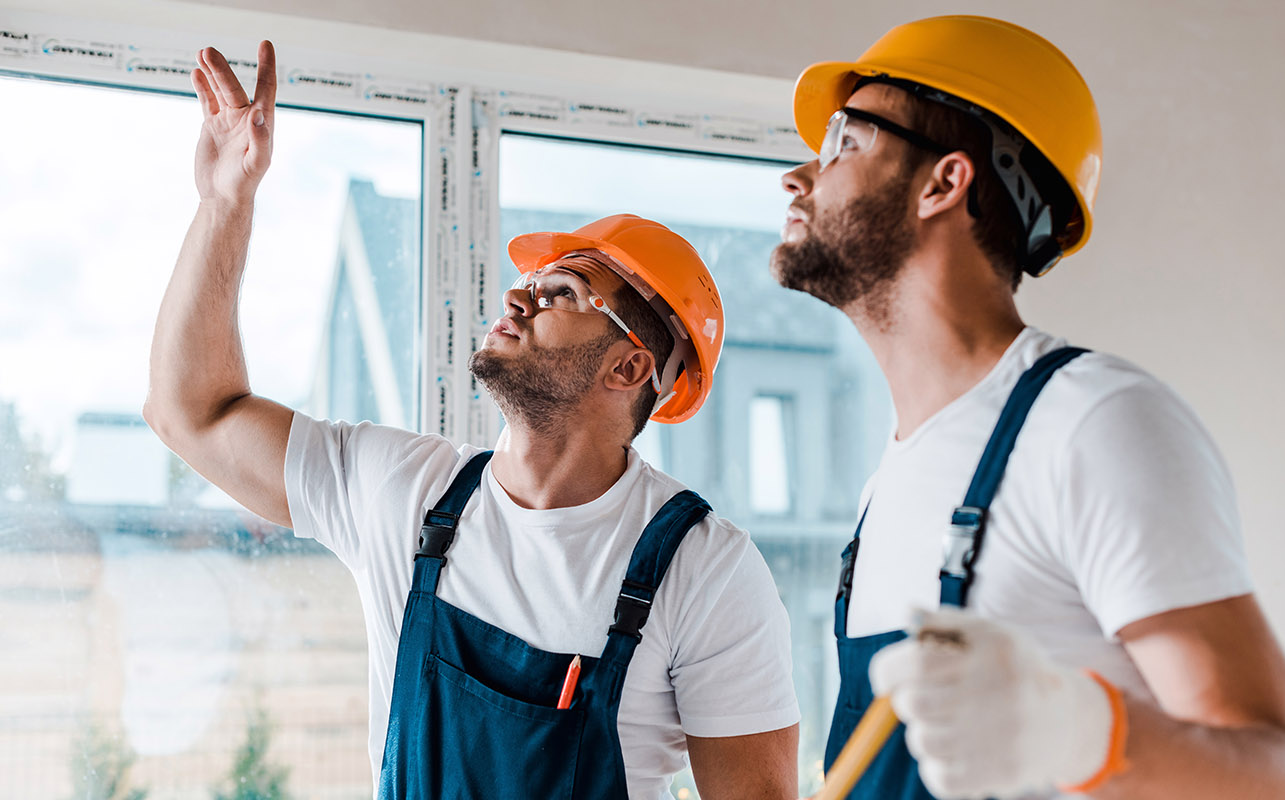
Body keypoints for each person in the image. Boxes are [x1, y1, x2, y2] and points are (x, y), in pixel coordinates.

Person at [144, 40, 800, 800]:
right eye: (528, 281)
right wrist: (226, 203)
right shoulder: (402, 491)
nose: (517, 298)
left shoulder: (706, 571)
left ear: (628, 369)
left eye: (564, 293)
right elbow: (190, 412)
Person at [771, 14, 1285, 800]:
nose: (797, 177)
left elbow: (1277, 767)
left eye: (846, 141)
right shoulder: (894, 474)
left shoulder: (1093, 423)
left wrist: (1079, 731)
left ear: (943, 183)